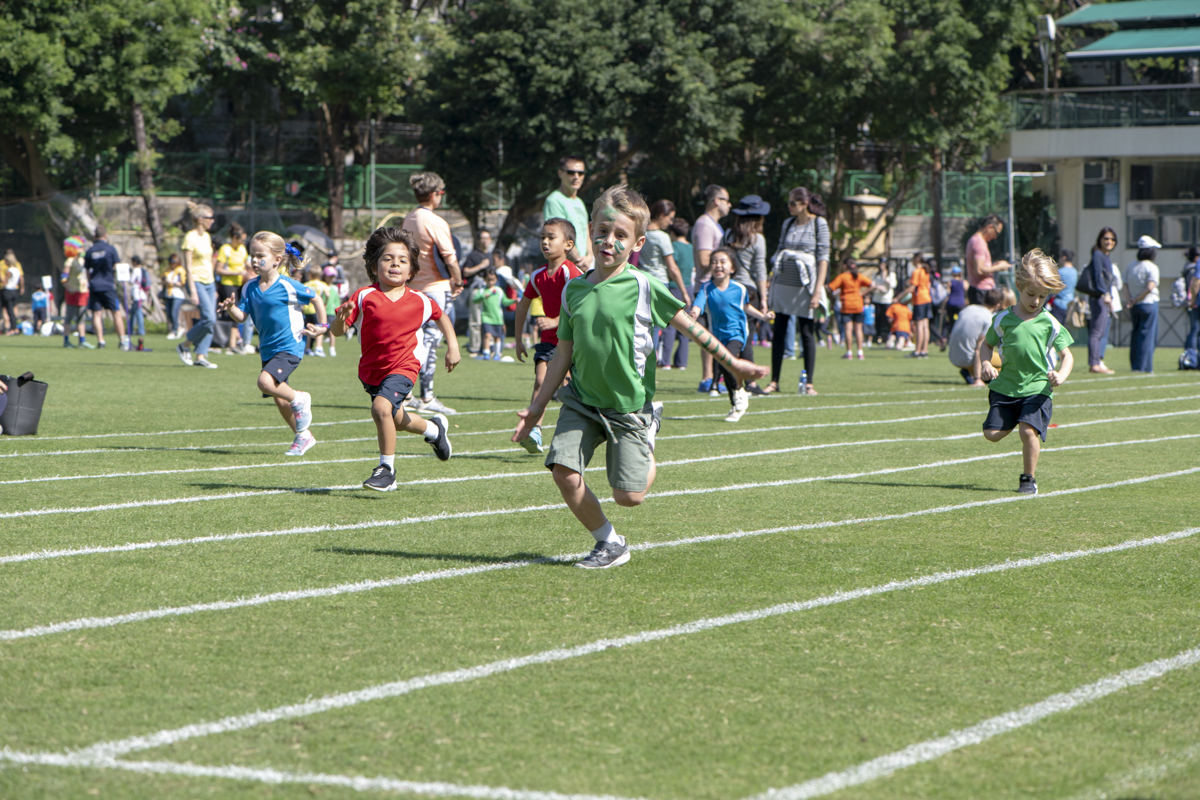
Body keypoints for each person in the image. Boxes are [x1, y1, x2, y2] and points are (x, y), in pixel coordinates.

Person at [512, 185, 766, 569]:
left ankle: (648, 433)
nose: (608, 241)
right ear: (589, 231)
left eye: (620, 235)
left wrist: (733, 363)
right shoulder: (573, 291)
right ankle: (610, 543)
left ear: (637, 243)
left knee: (629, 497)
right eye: (601, 231)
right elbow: (563, 353)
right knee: (563, 472)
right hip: (581, 400)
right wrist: (536, 408)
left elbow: (691, 329)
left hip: (628, 407)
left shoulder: (645, 285)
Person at [332, 227, 459, 492]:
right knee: (395, 419)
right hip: (372, 371)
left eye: (402, 260)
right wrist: (340, 320)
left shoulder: (420, 300)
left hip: (404, 366)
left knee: (381, 409)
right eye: (388, 258)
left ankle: (386, 470)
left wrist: (453, 347)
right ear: (374, 265)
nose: (395, 264)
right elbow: (337, 331)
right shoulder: (364, 296)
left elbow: (441, 316)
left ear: (411, 271)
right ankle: (434, 430)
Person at [218, 232, 327, 457]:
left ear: (277, 259)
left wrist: (323, 326)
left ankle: (300, 398)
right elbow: (241, 317)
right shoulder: (249, 287)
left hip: (290, 346)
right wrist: (230, 307)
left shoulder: (288, 285)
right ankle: (303, 435)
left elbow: (315, 298)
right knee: (279, 398)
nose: (255, 260)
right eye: (252, 255)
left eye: (260, 255)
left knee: (265, 382)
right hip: (268, 348)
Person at [979, 249, 1074, 496]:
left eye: (1043, 296)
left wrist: (1061, 375)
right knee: (991, 434)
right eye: (1031, 294)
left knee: (1027, 430)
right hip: (1006, 387)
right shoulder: (1002, 320)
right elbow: (986, 345)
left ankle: (1028, 479)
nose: (1036, 301)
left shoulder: (1050, 322)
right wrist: (986, 364)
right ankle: (1016, 416)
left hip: (1038, 388)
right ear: (1019, 286)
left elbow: (1067, 355)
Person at [513, 218, 583, 454]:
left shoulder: (571, 272)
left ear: (568, 244)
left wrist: (556, 320)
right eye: (542, 237)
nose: (545, 241)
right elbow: (522, 306)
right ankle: (535, 430)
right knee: (541, 380)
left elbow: (582, 306)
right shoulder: (538, 276)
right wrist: (519, 339)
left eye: (551, 237)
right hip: (550, 341)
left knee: (575, 389)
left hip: (577, 341)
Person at [401, 170, 463, 415]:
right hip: (437, 289)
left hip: (414, 288)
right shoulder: (435, 221)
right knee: (430, 343)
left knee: (413, 342)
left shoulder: (409, 219)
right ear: (435, 194)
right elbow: (450, 257)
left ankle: (407, 393)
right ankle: (427, 396)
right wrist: (458, 280)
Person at [689, 249, 770, 422]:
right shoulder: (706, 288)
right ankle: (736, 400)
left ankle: (739, 395)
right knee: (724, 368)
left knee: (727, 363)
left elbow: (746, 307)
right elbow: (698, 306)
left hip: (737, 334)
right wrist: (693, 314)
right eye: (714, 262)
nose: (718, 265)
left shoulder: (740, 288)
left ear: (732, 268)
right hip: (717, 336)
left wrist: (763, 316)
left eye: (722, 261)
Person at [767, 186, 829, 395]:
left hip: (806, 285)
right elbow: (780, 249)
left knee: (806, 332)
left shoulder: (819, 224)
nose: (789, 207)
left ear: (804, 204)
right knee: (779, 331)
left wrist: (818, 290)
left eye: (793, 203)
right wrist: (771, 278)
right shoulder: (788, 224)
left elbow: (823, 258)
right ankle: (774, 381)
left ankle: (808, 383)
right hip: (784, 282)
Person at [723, 195, 770, 390]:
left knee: (728, 335)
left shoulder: (728, 234)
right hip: (749, 290)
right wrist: (764, 298)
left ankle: (724, 378)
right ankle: (750, 381)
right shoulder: (758, 239)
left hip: (728, 289)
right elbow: (760, 270)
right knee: (747, 337)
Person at [691, 184, 732, 393]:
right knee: (707, 335)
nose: (729, 205)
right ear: (717, 201)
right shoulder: (706, 225)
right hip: (706, 288)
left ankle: (715, 378)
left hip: (716, 288)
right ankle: (708, 378)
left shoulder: (713, 225)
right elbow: (705, 259)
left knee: (716, 334)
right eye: (726, 200)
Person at [176, 202, 218, 368]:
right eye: (210, 218)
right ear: (200, 219)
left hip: (209, 282)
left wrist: (213, 286)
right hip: (197, 282)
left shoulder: (207, 237)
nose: (212, 221)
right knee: (210, 318)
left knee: (211, 321)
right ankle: (184, 345)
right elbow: (188, 266)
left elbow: (207, 262)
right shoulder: (190, 237)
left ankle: (201, 355)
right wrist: (193, 290)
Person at [1080, 227, 1119, 375]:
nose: (1109, 242)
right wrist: (1105, 294)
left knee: (1100, 331)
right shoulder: (1098, 254)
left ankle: (1098, 362)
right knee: (1096, 332)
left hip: (1105, 298)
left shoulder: (1105, 256)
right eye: (1106, 238)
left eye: (1112, 239)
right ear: (1100, 240)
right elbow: (1098, 277)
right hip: (1099, 298)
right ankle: (1094, 364)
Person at [657, 217, 694, 370]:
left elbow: (672, 268)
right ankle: (681, 363)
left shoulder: (673, 246)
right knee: (686, 326)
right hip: (689, 287)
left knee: (670, 327)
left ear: (672, 232)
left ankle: (665, 361)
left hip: (674, 287)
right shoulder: (691, 247)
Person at [84, 225, 129, 350]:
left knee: (97, 314)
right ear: (106, 235)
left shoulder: (90, 251)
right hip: (108, 285)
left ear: (95, 236)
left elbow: (87, 270)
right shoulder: (110, 249)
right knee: (116, 313)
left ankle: (101, 341)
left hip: (94, 285)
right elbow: (117, 266)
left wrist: (90, 282)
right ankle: (122, 340)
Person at [543, 156, 592, 270]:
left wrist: (590, 257)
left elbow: (586, 234)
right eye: (571, 172)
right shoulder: (554, 200)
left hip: (584, 267)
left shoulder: (580, 202)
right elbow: (560, 238)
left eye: (580, 173)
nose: (576, 177)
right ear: (560, 173)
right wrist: (579, 262)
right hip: (565, 268)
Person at [947, 287, 1003, 386]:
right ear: (998, 305)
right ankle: (977, 377)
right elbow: (980, 347)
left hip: (953, 357)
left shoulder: (968, 308)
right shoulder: (989, 318)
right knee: (1006, 361)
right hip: (968, 360)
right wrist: (977, 380)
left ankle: (969, 373)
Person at [1124, 235, 1161, 373]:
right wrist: (1138, 298)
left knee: (1136, 335)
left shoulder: (1131, 266)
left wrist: (1131, 299)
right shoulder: (1152, 267)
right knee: (1147, 336)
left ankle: (1135, 365)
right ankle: (1144, 367)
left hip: (1135, 305)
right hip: (1148, 303)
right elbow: (1150, 287)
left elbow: (1125, 284)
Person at [827, 256, 873, 360]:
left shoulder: (843, 277)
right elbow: (872, 284)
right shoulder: (858, 276)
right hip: (858, 305)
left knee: (848, 329)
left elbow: (830, 288)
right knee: (858, 329)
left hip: (847, 306)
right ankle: (860, 352)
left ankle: (849, 353)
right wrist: (862, 293)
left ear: (844, 266)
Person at [215, 222, 249, 354]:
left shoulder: (242, 249)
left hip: (239, 284)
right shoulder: (225, 249)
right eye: (242, 239)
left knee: (238, 312)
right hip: (227, 283)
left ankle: (233, 343)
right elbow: (218, 269)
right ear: (235, 237)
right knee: (231, 311)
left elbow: (247, 264)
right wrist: (236, 273)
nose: (243, 242)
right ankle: (230, 343)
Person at [964, 214, 1012, 305]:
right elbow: (979, 270)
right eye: (997, 232)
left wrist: (994, 266)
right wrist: (999, 267)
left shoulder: (974, 240)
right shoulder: (979, 242)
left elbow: (980, 267)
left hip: (979, 290)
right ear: (990, 227)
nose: (995, 237)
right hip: (981, 291)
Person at [461, 229, 493, 354]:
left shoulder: (491, 255)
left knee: (489, 319)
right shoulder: (473, 255)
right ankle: (474, 347)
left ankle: (487, 347)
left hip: (489, 290)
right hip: (477, 289)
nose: (485, 241)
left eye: (487, 238)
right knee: (475, 320)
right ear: (478, 240)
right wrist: (481, 266)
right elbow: (465, 271)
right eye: (483, 238)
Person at [897, 252, 932, 357]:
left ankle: (917, 351)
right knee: (925, 326)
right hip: (927, 299)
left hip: (920, 300)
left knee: (920, 326)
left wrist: (899, 297)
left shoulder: (917, 271)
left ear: (917, 259)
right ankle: (924, 350)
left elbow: (912, 287)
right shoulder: (926, 271)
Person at [61, 237, 92, 348]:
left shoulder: (83, 261)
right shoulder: (70, 261)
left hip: (83, 292)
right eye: (80, 247)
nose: (82, 249)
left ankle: (82, 340)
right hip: (73, 292)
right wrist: (69, 288)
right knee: (69, 317)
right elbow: (64, 278)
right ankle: (66, 340)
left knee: (81, 318)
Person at [472, 269, 506, 361]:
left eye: (493, 279)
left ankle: (496, 354)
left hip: (497, 318)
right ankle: (486, 353)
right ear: (485, 279)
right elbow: (475, 300)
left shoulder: (499, 291)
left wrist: (514, 301)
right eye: (488, 279)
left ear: (496, 280)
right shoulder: (483, 290)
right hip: (486, 317)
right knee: (487, 335)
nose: (490, 282)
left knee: (497, 337)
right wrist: (484, 296)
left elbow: (505, 302)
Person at [300, 266, 333, 357]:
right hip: (317, 309)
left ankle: (307, 349)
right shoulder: (322, 284)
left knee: (308, 328)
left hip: (307, 309)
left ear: (309, 275)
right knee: (320, 327)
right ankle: (318, 347)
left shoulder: (306, 284)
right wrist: (325, 303)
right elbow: (327, 294)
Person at [1047, 249, 1078, 326]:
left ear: (1064, 258)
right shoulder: (1075, 272)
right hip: (1070, 305)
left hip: (1059, 304)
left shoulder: (1060, 272)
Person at [871, 257, 896, 346]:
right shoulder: (876, 274)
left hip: (887, 299)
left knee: (888, 318)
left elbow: (893, 285)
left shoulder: (891, 274)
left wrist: (886, 280)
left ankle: (890, 335)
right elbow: (872, 285)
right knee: (878, 318)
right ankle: (878, 336)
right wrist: (878, 287)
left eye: (884, 264)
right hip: (877, 299)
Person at [125, 255, 151, 341]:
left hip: (137, 294)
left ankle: (140, 330)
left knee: (138, 312)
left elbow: (131, 281)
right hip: (141, 294)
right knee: (134, 312)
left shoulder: (136, 270)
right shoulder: (143, 270)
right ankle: (131, 329)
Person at [162, 253, 188, 339]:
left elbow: (183, 283)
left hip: (177, 294)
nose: (172, 264)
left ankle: (174, 331)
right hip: (168, 294)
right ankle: (178, 328)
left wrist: (173, 283)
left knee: (174, 313)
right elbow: (162, 278)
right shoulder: (168, 271)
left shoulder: (180, 270)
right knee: (169, 314)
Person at [1, 250, 23, 334]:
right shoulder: (17, 269)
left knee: (9, 311)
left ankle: (12, 329)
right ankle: (14, 328)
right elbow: (21, 279)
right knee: (12, 311)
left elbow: (4, 281)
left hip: (7, 291)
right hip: (14, 290)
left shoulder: (9, 271)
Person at [1184, 246, 1200, 353]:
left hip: (1194, 300)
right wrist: (1192, 300)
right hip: (1195, 301)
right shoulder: (1193, 268)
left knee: (1194, 329)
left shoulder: (1187, 267)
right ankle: (1192, 354)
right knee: (1195, 330)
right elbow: (1195, 284)